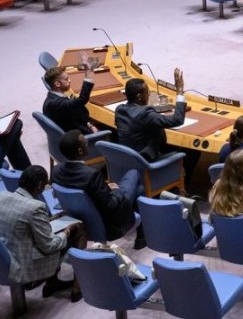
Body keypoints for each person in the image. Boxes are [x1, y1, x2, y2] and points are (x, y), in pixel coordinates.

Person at [0, 165, 85, 301]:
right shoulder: (35, 207)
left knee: (56, 231)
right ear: (39, 184)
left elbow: (21, 225)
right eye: (45, 185)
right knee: (80, 230)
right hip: (23, 266)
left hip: (6, 258)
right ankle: (77, 289)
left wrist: (51, 219)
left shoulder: (2, 196)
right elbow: (49, 246)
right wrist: (67, 230)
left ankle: (53, 282)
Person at [51, 130, 145, 246]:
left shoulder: (56, 170)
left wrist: (105, 187)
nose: (88, 142)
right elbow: (111, 204)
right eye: (85, 142)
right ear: (80, 151)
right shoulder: (91, 175)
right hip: (107, 223)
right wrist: (115, 189)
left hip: (80, 216)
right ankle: (141, 236)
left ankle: (142, 237)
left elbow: (82, 192)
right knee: (134, 174)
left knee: (138, 189)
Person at [114, 69, 200, 176]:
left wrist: (156, 118)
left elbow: (135, 124)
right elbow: (177, 120)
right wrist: (180, 91)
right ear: (139, 97)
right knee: (193, 151)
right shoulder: (146, 113)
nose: (149, 94)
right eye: (147, 92)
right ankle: (179, 182)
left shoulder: (119, 109)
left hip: (129, 158)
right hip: (146, 161)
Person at [43, 52, 96, 135]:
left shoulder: (52, 97)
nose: (70, 81)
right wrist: (88, 70)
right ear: (57, 84)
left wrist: (89, 124)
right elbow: (82, 99)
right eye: (66, 79)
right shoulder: (57, 104)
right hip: (78, 138)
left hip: (72, 125)